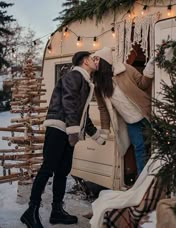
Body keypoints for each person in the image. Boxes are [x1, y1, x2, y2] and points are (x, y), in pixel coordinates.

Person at [20, 51, 106, 228]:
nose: (94, 62)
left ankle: (56, 211)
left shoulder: (85, 81)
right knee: (47, 169)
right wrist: (73, 131)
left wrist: (96, 136)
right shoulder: (74, 76)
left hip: (68, 130)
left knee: (62, 171)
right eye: (91, 59)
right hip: (59, 128)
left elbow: (83, 115)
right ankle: (30, 212)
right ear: (84, 61)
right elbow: (68, 102)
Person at [92, 47, 155, 176]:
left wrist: (149, 69)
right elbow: (103, 109)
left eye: (97, 59)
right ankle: (142, 179)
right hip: (130, 121)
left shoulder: (125, 69)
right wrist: (105, 130)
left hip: (145, 114)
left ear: (105, 60)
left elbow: (143, 84)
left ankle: (157, 177)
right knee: (139, 148)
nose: (94, 62)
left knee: (156, 146)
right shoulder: (99, 85)